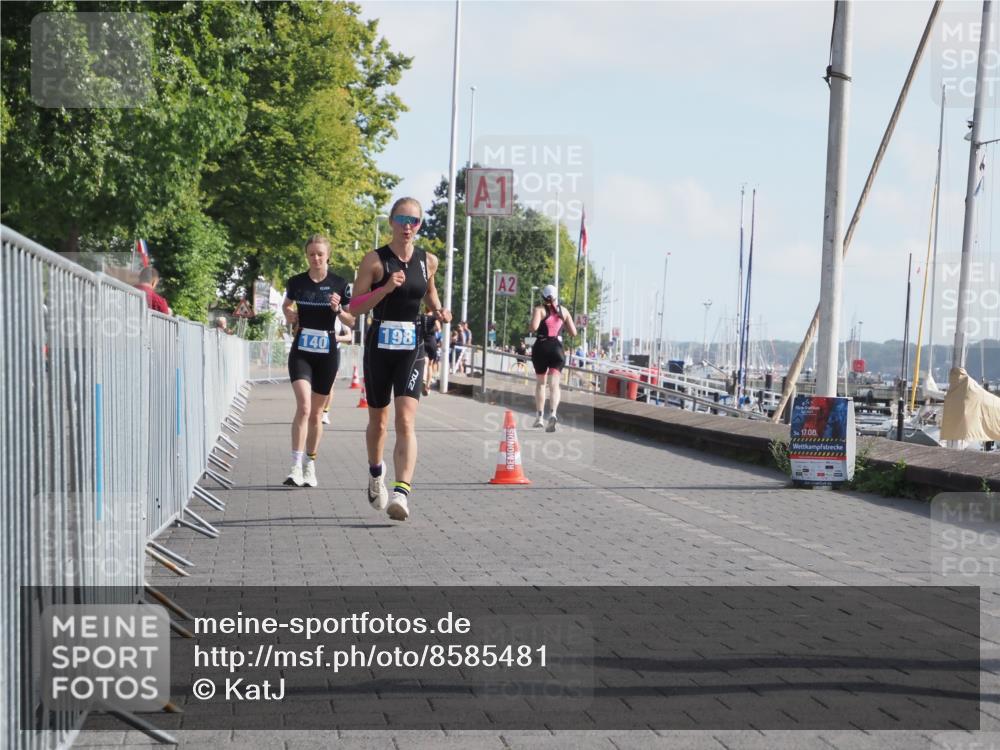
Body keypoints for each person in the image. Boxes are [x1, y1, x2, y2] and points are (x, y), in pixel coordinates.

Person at [348, 197, 451, 522]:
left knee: (406, 420)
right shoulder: (374, 261)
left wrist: (439, 311)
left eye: (415, 221)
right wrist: (385, 289)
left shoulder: (427, 261)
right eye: (403, 219)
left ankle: (401, 493)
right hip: (380, 344)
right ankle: (376, 472)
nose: (408, 226)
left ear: (419, 226)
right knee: (378, 422)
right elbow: (355, 307)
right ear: (392, 221)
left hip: (412, 345)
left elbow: (430, 293)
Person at [282, 234, 355, 488]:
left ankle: (310, 465)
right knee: (303, 407)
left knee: (315, 414)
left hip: (327, 353)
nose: (315, 258)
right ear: (307, 256)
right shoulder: (296, 282)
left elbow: (352, 321)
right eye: (311, 254)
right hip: (301, 350)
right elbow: (286, 305)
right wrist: (289, 315)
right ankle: (294, 466)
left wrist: (339, 310)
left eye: (320, 254)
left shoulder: (340, 284)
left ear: (328, 256)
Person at [529, 284, 577, 432]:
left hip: (541, 347)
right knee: (554, 385)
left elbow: (533, 328)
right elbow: (573, 333)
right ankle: (553, 414)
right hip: (557, 349)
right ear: (557, 297)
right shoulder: (564, 311)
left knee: (541, 384)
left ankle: (539, 417)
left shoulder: (539, 310)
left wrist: (531, 321)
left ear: (543, 296)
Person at [320, 316, 355, 425]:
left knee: (329, 385)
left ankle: (325, 413)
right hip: (317, 350)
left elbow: (349, 337)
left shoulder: (340, 317)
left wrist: (336, 337)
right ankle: (314, 410)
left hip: (334, 352)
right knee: (315, 384)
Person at [419, 309, 441, 396]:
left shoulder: (421, 316)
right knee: (430, 365)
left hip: (423, 341)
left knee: (425, 360)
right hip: (432, 341)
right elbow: (438, 328)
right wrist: (432, 330)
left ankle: (423, 379)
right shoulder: (434, 317)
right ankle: (428, 386)